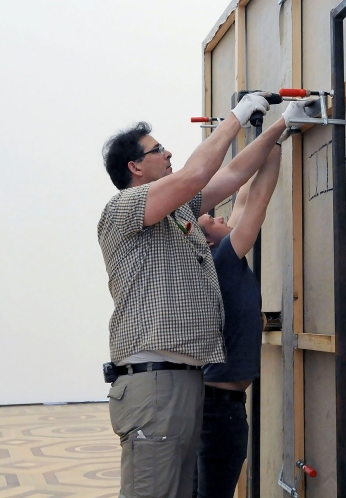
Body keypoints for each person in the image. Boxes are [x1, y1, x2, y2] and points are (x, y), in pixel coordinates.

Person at [97, 93, 286, 498]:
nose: (168, 154)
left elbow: (233, 175)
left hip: (186, 379)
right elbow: (197, 173)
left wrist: (282, 125)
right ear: (134, 167)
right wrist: (237, 116)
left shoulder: (178, 214)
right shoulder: (124, 208)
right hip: (153, 381)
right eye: (157, 150)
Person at [192, 101, 309, 498]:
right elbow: (257, 202)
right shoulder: (220, 260)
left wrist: (270, 137)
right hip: (218, 409)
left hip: (214, 403)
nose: (222, 217)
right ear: (208, 240)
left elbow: (243, 198)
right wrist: (282, 127)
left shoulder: (216, 257)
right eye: (213, 220)